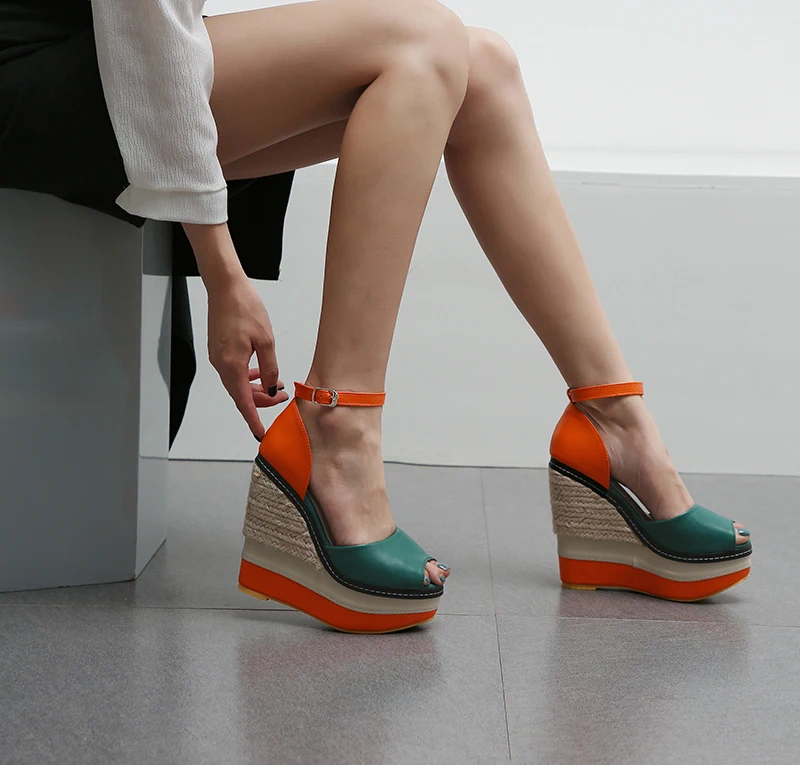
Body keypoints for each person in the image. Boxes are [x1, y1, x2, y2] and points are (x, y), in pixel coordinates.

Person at [0, 0, 751, 633]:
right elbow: (144, 21)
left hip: (101, 47)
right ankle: (336, 434)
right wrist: (222, 271)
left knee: (482, 67)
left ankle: (614, 422)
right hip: (38, 62)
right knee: (421, 43)